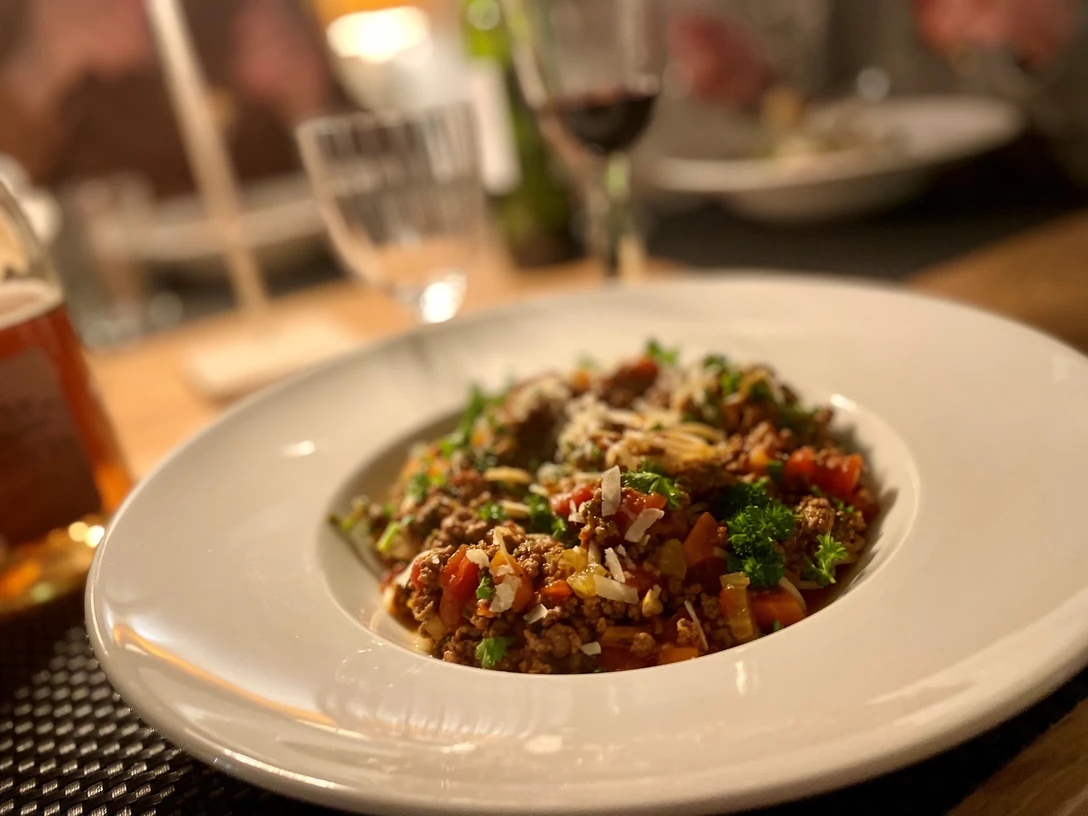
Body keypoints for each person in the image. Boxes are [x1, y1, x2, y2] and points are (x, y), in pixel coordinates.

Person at [0, 0, 341, 197]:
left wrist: (310, 104)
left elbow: (365, 152)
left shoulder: (246, 11)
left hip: (302, 273)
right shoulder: (24, 19)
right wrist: (38, 70)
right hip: (118, 297)